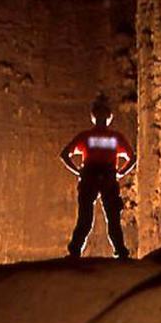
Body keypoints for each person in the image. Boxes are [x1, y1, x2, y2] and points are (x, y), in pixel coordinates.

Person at [60, 94, 135, 258]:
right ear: (109, 117)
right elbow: (132, 157)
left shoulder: (86, 137)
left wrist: (78, 171)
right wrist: (121, 172)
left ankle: (75, 251)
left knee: (85, 218)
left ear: (93, 117)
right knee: (112, 218)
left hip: (89, 178)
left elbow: (65, 155)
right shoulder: (116, 138)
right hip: (108, 178)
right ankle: (120, 251)